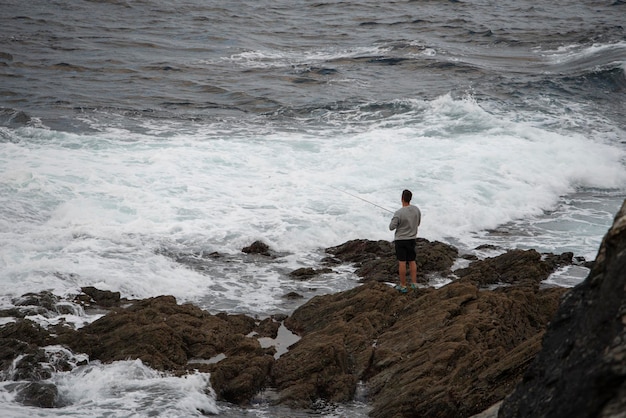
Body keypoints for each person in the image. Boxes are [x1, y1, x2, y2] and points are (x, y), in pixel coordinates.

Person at [389, 189, 421, 293]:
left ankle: (403, 285)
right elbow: (418, 223)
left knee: (402, 262)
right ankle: (414, 283)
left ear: (402, 198)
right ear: (410, 198)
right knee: (412, 261)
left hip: (401, 241)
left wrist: (394, 219)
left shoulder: (399, 213)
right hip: (412, 239)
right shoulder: (416, 210)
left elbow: (391, 227)